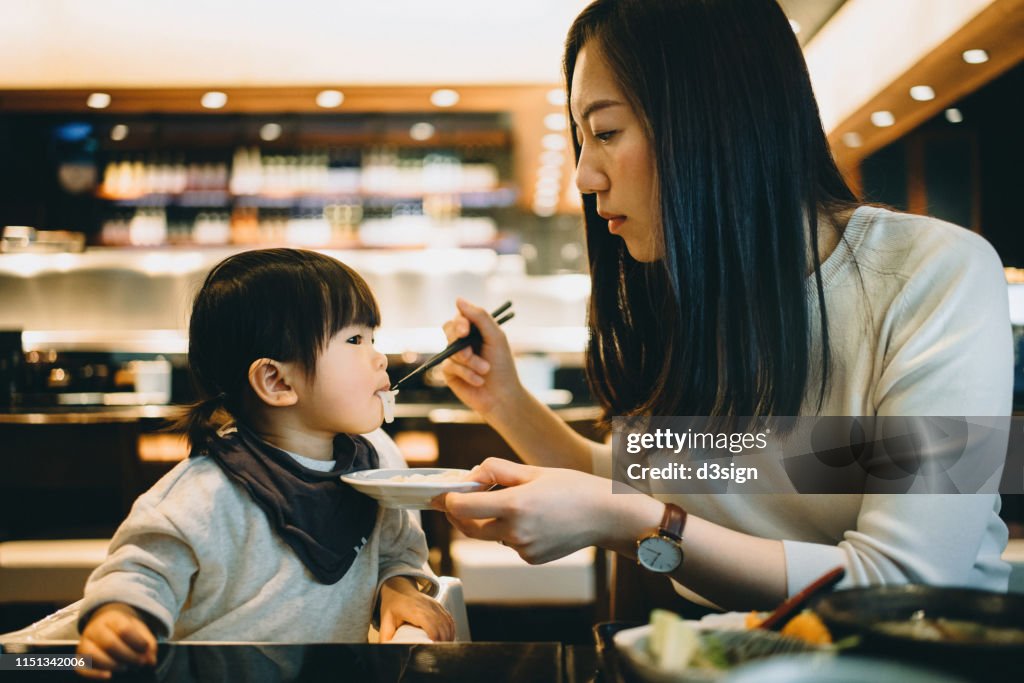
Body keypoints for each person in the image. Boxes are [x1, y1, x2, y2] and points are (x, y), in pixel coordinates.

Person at [437, 0, 1012, 612]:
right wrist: (506, 401)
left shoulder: (931, 272)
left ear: (714, 120)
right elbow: (667, 481)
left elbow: (906, 581)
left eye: (605, 132)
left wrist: (632, 523)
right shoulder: (689, 287)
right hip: (728, 653)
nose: (584, 176)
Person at [76, 249, 454, 677]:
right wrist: (118, 619)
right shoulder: (204, 494)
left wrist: (397, 588)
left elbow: (395, 551)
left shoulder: (375, 463)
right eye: (354, 340)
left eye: (373, 338)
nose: (379, 357)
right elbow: (141, 572)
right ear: (276, 381)